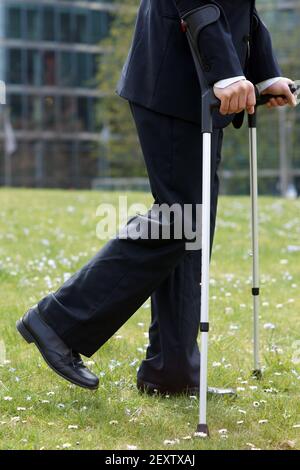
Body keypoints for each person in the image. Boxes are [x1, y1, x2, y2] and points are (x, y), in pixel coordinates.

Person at [16, 0, 296, 394]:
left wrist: (263, 73)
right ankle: (59, 321)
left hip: (202, 89)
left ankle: (172, 371)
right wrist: (229, 72)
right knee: (182, 222)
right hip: (174, 83)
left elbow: (241, 7)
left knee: (190, 230)